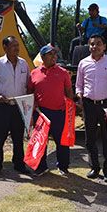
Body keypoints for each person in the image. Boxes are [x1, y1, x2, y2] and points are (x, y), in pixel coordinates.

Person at [75, 34, 107, 182]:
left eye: (98, 44)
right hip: (89, 105)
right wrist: (79, 95)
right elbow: (79, 84)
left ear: (104, 46)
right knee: (90, 139)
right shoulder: (83, 63)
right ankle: (94, 167)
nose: (95, 47)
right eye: (92, 44)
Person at [0, 36, 30, 178]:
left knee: (18, 138)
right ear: (5, 48)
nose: (17, 48)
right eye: (13, 46)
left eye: (18, 45)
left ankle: (19, 164)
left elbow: (29, 84)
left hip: (18, 107)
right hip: (2, 107)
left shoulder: (24, 64)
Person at [28, 44, 74, 176]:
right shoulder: (34, 73)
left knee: (61, 142)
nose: (54, 57)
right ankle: (41, 167)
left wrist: (69, 108)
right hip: (41, 113)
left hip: (59, 113)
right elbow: (30, 91)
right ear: (42, 57)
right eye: (50, 54)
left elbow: (69, 91)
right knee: (41, 141)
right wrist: (33, 106)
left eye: (55, 54)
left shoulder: (63, 73)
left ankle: (63, 166)